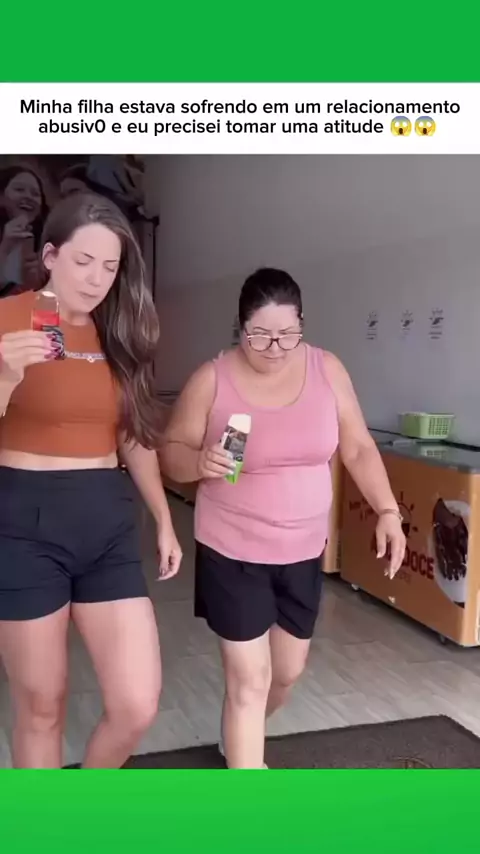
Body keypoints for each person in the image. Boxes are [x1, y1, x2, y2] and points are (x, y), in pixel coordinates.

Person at [159, 267, 406, 770]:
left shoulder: (326, 369)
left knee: (285, 674)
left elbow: (358, 447)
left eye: (288, 334)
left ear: (302, 326)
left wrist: (387, 510)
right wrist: (199, 461)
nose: (275, 348)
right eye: (260, 336)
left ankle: (237, 735)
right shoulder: (213, 379)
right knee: (249, 680)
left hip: (303, 551)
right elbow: (171, 452)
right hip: (233, 550)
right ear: (240, 328)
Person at [0, 192, 182, 768]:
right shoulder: (6, 321)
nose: (97, 279)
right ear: (50, 256)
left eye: (110, 266)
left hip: (105, 519)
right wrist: (4, 376)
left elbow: (132, 435)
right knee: (41, 706)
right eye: (83, 262)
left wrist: (163, 518)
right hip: (23, 522)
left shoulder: (119, 333)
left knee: (136, 704)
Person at [0, 165, 48, 298]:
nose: (28, 197)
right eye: (19, 189)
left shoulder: (47, 241)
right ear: (1, 196)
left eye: (35, 194)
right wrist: (5, 248)